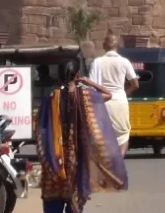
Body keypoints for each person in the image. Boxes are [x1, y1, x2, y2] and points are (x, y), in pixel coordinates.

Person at [38, 58, 127, 213]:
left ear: (59, 76)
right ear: (77, 74)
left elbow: (40, 130)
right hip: (77, 160)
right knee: (75, 200)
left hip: (55, 159)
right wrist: (88, 82)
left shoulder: (50, 98)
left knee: (54, 200)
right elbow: (108, 94)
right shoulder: (86, 97)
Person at [87, 33, 139, 153]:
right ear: (118, 45)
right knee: (124, 134)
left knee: (101, 134)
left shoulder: (97, 62)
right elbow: (135, 84)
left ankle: (105, 164)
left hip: (102, 102)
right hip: (120, 101)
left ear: (104, 46)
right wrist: (125, 93)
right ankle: (118, 163)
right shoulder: (124, 62)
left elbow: (92, 84)